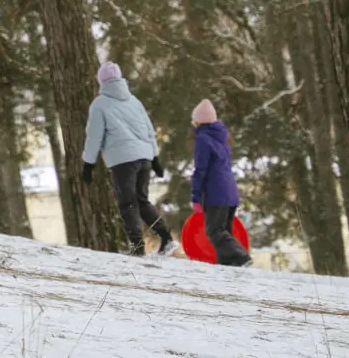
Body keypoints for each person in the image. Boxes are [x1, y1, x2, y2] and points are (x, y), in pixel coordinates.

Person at [83, 62, 178, 257]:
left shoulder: (99, 104)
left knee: (128, 203)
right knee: (142, 201)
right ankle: (167, 239)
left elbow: (94, 137)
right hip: (144, 158)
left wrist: (88, 163)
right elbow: (149, 131)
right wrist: (155, 159)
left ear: (101, 82)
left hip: (123, 161)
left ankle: (137, 247)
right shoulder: (134, 101)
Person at [190, 99, 251, 267]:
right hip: (230, 193)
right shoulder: (221, 138)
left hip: (216, 194)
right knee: (225, 232)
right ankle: (228, 268)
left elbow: (200, 171)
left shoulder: (203, 139)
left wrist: (195, 197)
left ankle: (241, 256)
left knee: (215, 231)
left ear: (198, 121)